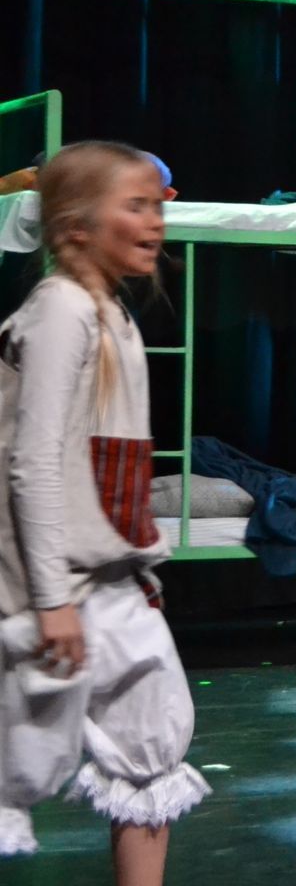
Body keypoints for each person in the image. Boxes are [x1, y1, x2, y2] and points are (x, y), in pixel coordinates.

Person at [0, 142, 209, 881]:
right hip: (54, 587)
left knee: (150, 747)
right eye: (135, 206)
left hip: (107, 581)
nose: (155, 222)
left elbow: (101, 464)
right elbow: (32, 463)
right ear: (77, 227)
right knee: (19, 762)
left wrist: (134, 565)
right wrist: (52, 599)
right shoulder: (61, 310)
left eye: (157, 206)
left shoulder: (106, 309)